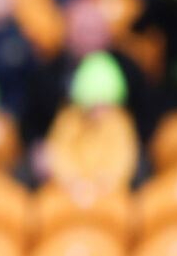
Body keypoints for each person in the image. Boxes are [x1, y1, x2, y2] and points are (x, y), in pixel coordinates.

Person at [34, 51, 140, 192]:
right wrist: (72, 180)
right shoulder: (68, 119)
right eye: (93, 105)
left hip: (110, 191)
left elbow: (124, 159)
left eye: (104, 105)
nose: (98, 112)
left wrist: (105, 181)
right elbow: (59, 152)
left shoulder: (120, 122)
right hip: (68, 190)